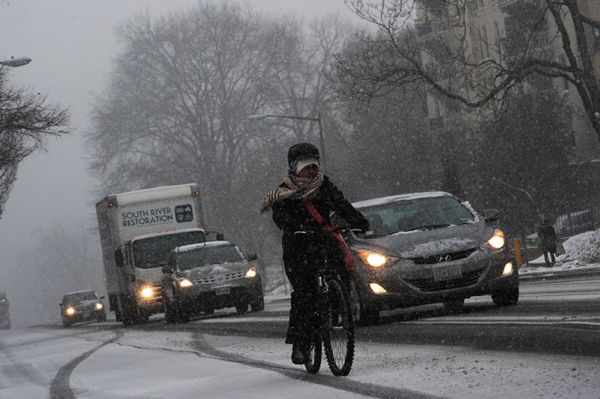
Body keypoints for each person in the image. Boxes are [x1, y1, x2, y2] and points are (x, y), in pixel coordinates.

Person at [260, 142, 369, 365]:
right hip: (298, 247)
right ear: (294, 168)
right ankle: (302, 343)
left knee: (340, 273)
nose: (312, 171)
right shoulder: (283, 193)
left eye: (314, 165)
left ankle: (337, 310)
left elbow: (342, 205)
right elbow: (280, 218)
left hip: (323, 240)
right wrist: (294, 227)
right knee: (305, 293)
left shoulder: (324, 186)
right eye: (306, 166)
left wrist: (360, 222)